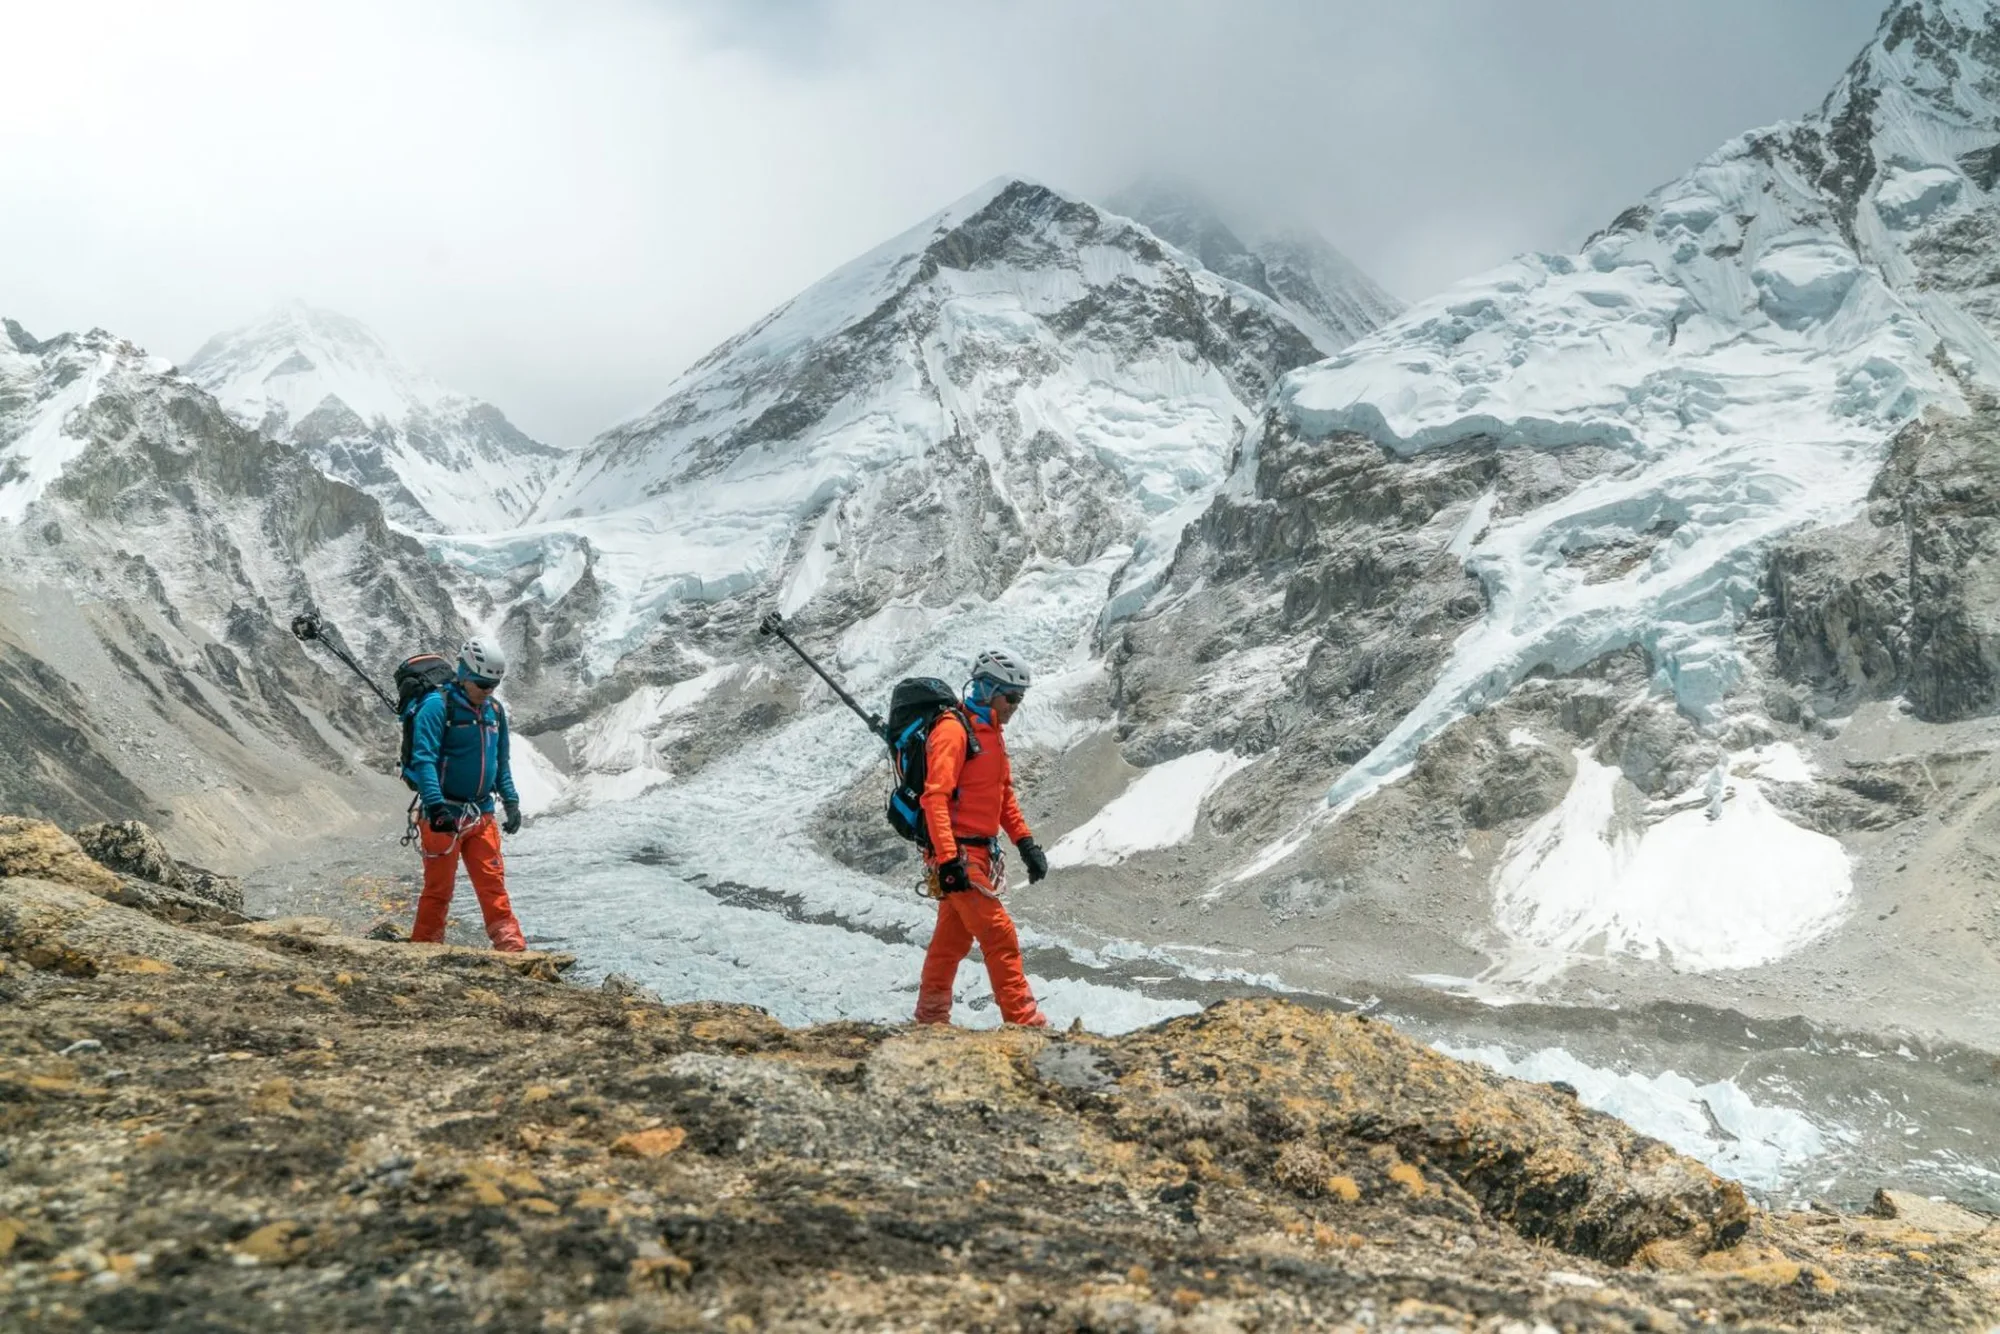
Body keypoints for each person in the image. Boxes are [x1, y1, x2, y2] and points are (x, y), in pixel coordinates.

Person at [914, 647, 1052, 1027]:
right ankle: (1026, 1024)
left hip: (975, 854)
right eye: (1012, 697)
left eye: (1020, 699)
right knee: (999, 934)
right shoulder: (953, 731)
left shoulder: (991, 734)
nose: (1015, 706)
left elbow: (1002, 794)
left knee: (950, 943)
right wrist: (947, 861)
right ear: (990, 689)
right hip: (958, 855)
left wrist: (1026, 844)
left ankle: (929, 1020)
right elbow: (934, 798)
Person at [404, 637, 527, 951]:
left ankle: (512, 949)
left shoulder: (494, 711)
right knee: (438, 889)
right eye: (483, 684)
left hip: (481, 814)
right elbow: (424, 759)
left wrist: (510, 800)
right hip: (441, 815)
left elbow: (500, 761)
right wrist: (436, 805)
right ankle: (425, 950)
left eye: (493, 686)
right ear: (465, 674)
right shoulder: (437, 705)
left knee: (493, 886)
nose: (488, 692)